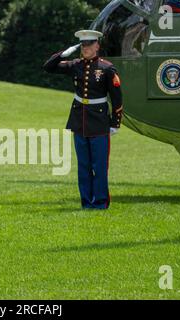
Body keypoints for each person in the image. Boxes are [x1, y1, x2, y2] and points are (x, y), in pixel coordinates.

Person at [43, 30, 123, 210]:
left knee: (100, 166)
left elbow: (117, 97)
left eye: (89, 45)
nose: (85, 48)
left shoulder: (106, 68)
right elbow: (48, 67)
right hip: (79, 121)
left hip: (99, 121)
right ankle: (86, 202)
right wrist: (64, 54)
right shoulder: (75, 65)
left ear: (97, 46)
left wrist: (115, 123)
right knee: (83, 166)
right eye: (83, 45)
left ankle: (101, 202)